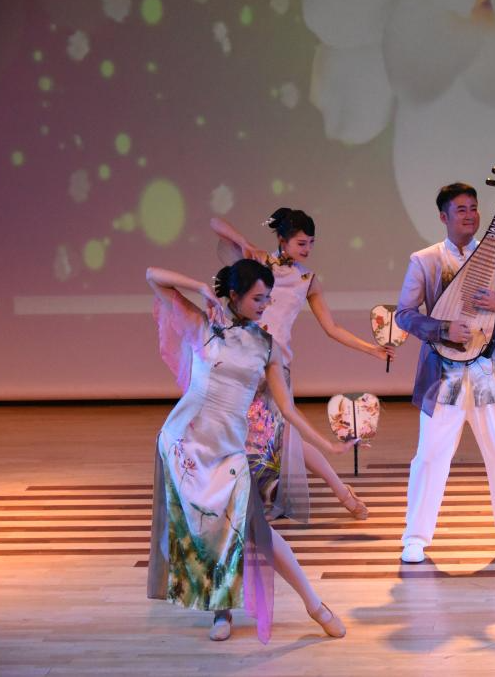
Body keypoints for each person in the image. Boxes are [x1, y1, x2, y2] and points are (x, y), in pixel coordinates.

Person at [146, 259, 348, 641]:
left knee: (259, 531)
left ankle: (316, 606)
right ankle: (220, 611)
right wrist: (200, 287)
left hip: (228, 450)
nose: (264, 305)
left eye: (268, 298)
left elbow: (288, 409)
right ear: (234, 295)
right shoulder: (202, 325)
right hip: (187, 445)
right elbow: (153, 276)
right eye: (258, 298)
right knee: (207, 531)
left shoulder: (265, 345)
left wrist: (329, 445)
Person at [212, 209, 394, 522]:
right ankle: (244, 496)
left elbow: (332, 327)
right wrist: (245, 244)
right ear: (282, 240)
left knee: (287, 439)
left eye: (311, 243)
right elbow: (215, 223)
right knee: (241, 433)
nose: (307, 249)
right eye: (300, 243)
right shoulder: (259, 266)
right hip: (243, 363)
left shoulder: (307, 280)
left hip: (275, 366)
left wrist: (371, 349)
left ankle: (340, 492)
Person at [394, 182, 495, 564]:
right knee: (430, 456)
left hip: (489, 370)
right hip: (444, 374)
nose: (470, 215)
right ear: (443, 216)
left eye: (474, 208)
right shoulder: (425, 260)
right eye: (461, 209)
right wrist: (442, 329)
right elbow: (404, 315)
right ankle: (415, 537)